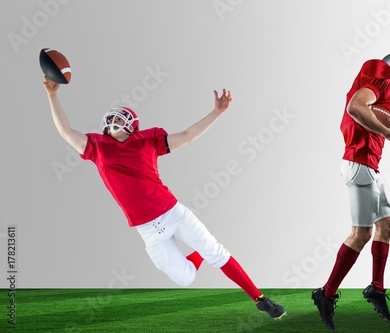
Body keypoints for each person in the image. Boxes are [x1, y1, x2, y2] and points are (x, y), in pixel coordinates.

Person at [43, 76, 286, 319]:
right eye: (113, 117)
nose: (114, 120)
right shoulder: (98, 146)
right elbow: (66, 132)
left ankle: (260, 299)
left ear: (132, 125)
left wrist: (217, 113)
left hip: (172, 212)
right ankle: (201, 249)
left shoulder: (148, 139)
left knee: (217, 253)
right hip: (146, 229)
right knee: (185, 278)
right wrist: (53, 95)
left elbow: (188, 134)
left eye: (120, 117)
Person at [312, 52, 390, 331]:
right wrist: (387, 131)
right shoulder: (380, 73)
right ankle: (326, 294)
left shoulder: (385, 101)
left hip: (370, 168)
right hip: (359, 163)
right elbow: (355, 107)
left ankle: (376, 289)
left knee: (387, 225)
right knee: (361, 233)